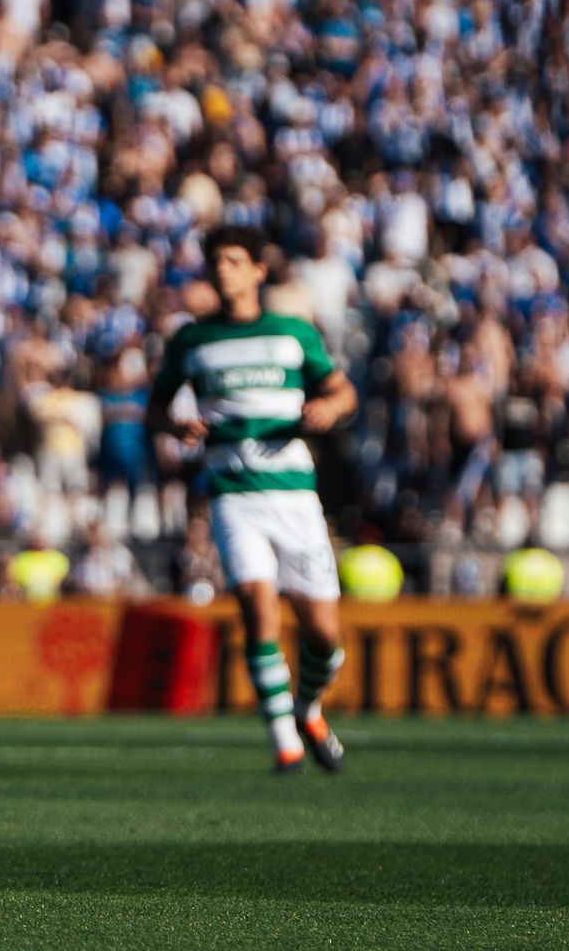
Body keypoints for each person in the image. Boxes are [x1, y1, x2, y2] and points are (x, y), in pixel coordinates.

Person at [146, 225, 358, 775]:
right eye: (216, 261)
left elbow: (341, 390)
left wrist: (329, 409)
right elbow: (156, 407)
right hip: (233, 495)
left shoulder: (292, 334)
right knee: (258, 611)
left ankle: (307, 710)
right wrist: (176, 424)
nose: (224, 270)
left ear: (258, 271)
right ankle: (285, 743)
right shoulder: (192, 340)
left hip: (294, 496)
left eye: (235, 261)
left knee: (324, 634)